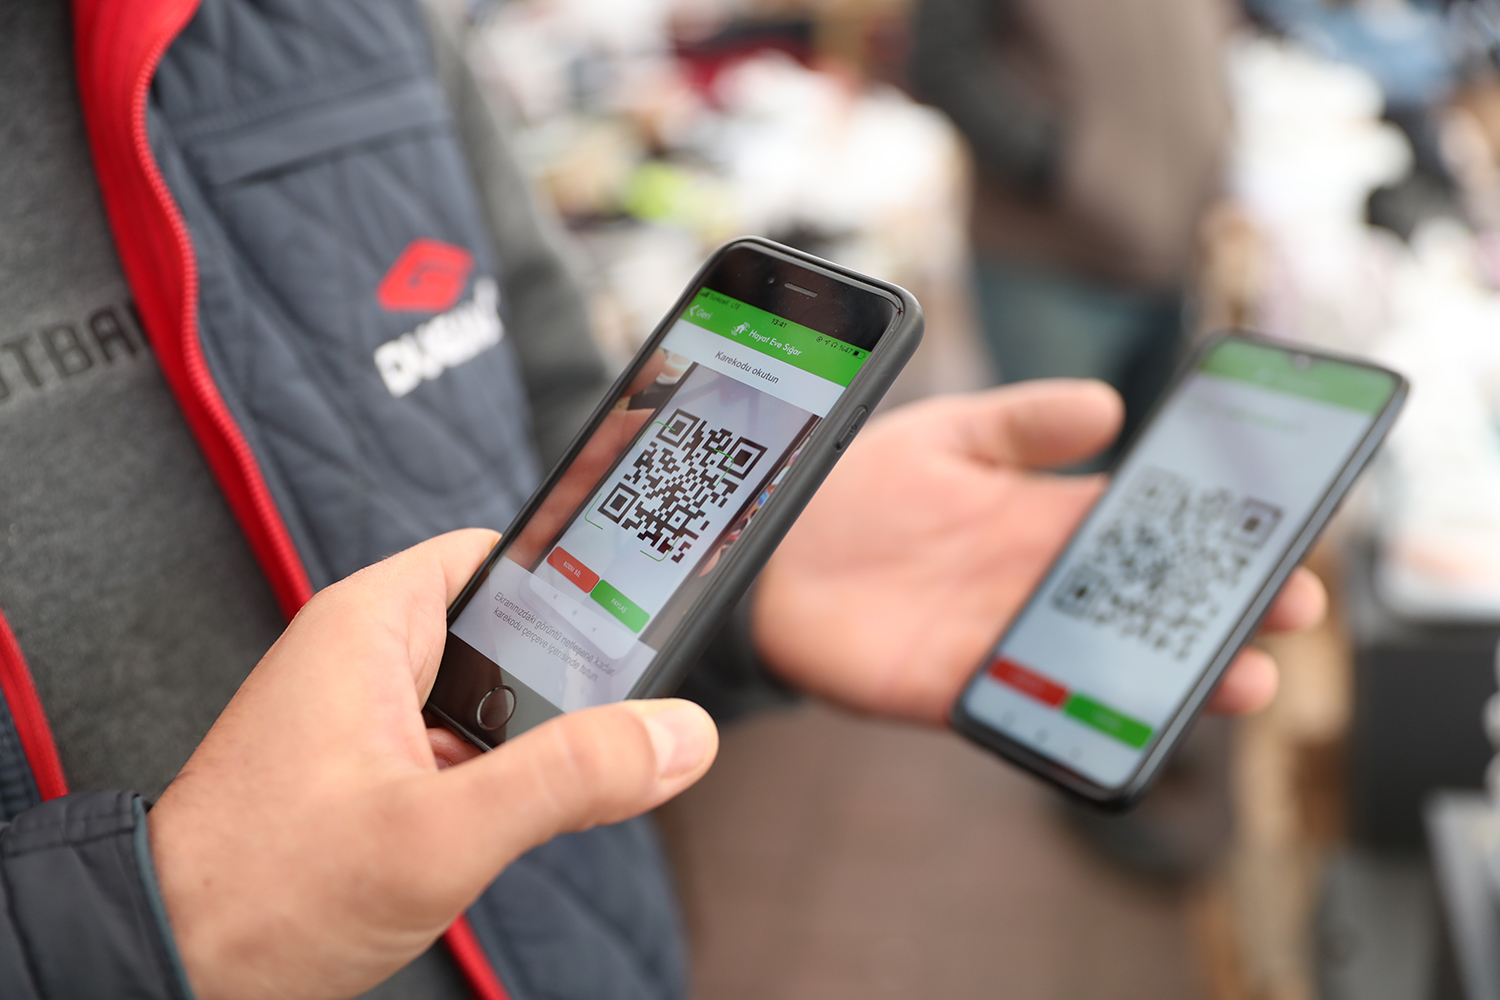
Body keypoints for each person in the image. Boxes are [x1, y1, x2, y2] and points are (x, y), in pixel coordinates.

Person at [0, 1, 1319, 997]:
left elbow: (556, 419)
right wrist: (146, 936)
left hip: (581, 942)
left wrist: (748, 586)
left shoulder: (354, 20)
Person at [908, 0, 1232, 453]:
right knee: (1059, 466)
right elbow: (944, 59)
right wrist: (1053, 164)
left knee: (1146, 466)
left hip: (1174, 257)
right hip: (1051, 261)